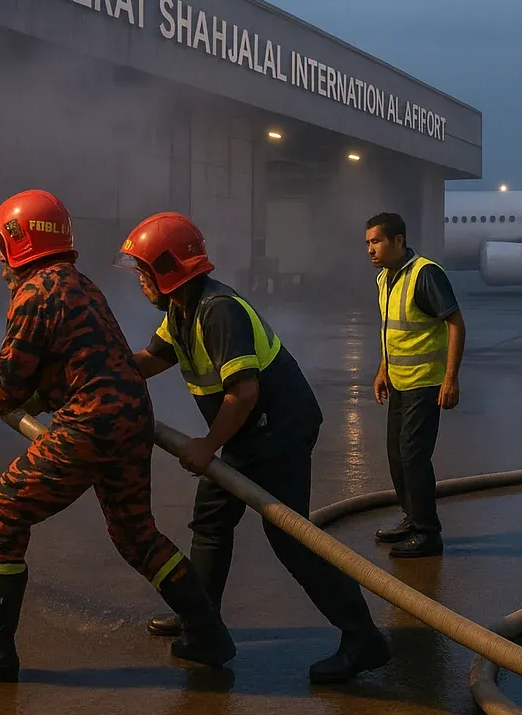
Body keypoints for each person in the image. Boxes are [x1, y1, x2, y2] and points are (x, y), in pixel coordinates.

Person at [0, 190, 235, 681]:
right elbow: (66, 368)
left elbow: (8, 388)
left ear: (19, 241)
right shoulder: (79, 284)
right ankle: (209, 633)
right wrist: (18, 395)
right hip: (131, 420)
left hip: (88, 426)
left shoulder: (34, 292)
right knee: (136, 535)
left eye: (0, 244)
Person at [118, 211, 392, 684]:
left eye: (144, 272)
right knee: (211, 521)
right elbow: (150, 360)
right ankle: (202, 621)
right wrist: (101, 368)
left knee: (291, 539)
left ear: (167, 271)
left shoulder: (216, 310)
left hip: (277, 429)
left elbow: (243, 393)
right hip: (248, 431)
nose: (140, 282)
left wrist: (208, 445)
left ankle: (364, 638)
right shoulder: (181, 310)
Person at [365, 212, 465, 559]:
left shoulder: (425, 274)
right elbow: (392, 330)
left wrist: (450, 378)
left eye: (376, 242)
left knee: (414, 456)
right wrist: (382, 370)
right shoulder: (385, 279)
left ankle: (427, 533)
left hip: (425, 383)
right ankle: (412, 518)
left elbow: (455, 323)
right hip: (399, 383)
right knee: (396, 454)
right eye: (368, 243)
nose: (371, 250)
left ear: (398, 241)